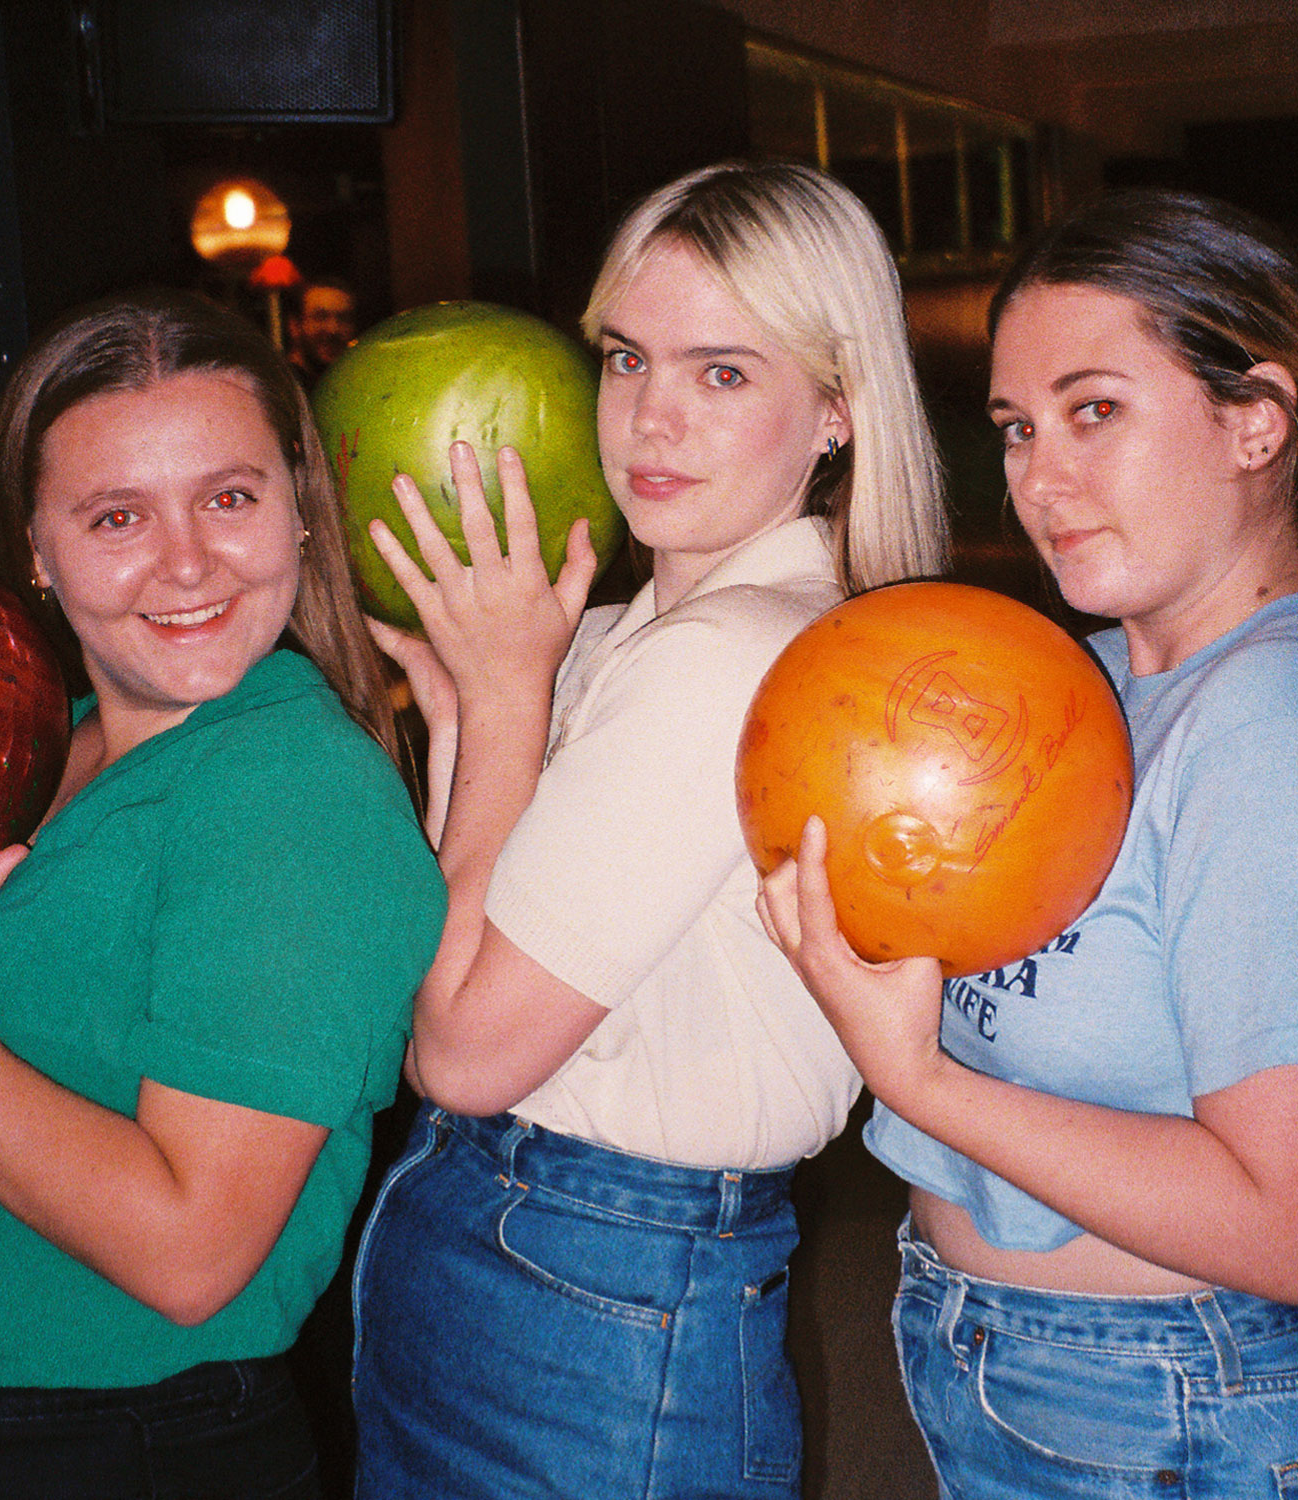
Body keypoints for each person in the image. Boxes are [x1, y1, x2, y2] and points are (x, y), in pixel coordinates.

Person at [758, 188, 1298, 1498]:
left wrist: (918, 1081)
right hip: (1032, 1372)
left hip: (1176, 1410)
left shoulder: (1281, 728)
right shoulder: (1072, 685)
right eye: (1019, 428)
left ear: (1256, 419)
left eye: (1096, 411)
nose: (1040, 476)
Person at [0, 289, 446, 1498]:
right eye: (117, 516)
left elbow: (191, 1255)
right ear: (38, 557)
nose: (187, 561)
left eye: (230, 497)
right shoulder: (28, 762)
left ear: (302, 517)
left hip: (99, 1449)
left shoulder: (290, 787)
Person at [346, 160, 951, 1498]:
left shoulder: (738, 656)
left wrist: (503, 703)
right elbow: (446, 952)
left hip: (595, 1283)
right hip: (531, 1251)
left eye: (724, 374)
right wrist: (466, 706)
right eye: (627, 358)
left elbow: (462, 1048)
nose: (651, 420)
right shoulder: (621, 635)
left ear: (840, 408)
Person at [286, 275, 359, 386]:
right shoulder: (281, 389)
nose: (333, 329)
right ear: (295, 326)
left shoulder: (352, 384)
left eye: (343, 318)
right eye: (320, 317)